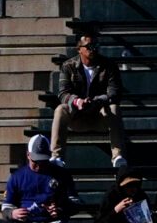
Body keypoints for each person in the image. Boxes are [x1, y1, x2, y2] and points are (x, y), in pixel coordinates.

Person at [48, 31, 127, 168]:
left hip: (99, 116)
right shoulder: (68, 66)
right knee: (61, 109)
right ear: (79, 49)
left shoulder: (109, 65)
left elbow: (114, 93)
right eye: (89, 46)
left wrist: (96, 101)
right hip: (77, 117)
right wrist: (77, 101)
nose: (93, 48)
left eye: (96, 45)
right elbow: (63, 93)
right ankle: (56, 156)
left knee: (114, 108)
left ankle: (117, 156)